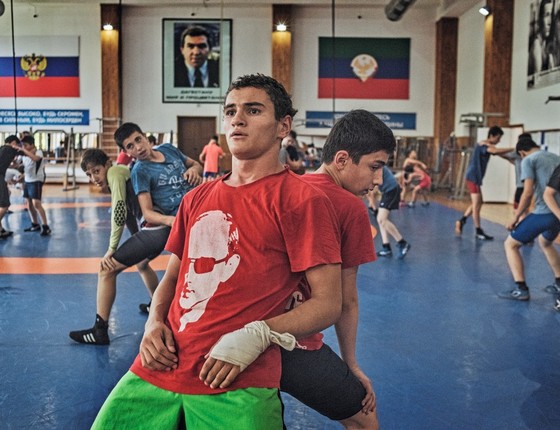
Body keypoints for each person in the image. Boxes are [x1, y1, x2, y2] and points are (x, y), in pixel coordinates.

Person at [91, 74, 342, 429]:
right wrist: (154, 321)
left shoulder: (303, 200)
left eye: (253, 110)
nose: (237, 119)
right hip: (159, 366)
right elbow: (175, 276)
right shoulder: (196, 199)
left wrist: (259, 334)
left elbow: (329, 303)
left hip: (236, 378)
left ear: (283, 125)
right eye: (231, 111)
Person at [280, 109, 395, 429]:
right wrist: (352, 364)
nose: (377, 181)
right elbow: (347, 300)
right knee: (364, 415)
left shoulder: (286, 187)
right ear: (342, 159)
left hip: (248, 334)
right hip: (294, 344)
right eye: (375, 167)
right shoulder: (349, 208)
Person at [69, 123, 203, 345]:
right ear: (126, 153)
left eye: (138, 140)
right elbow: (136, 212)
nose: (138, 148)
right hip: (169, 224)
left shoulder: (166, 150)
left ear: (145, 137)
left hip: (172, 224)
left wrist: (194, 170)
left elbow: (121, 211)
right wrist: (161, 228)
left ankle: (100, 330)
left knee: (106, 271)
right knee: (141, 263)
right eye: (130, 146)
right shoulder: (137, 170)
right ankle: (156, 305)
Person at [499, 138, 560, 302]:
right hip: (558, 214)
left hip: (544, 212)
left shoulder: (528, 160)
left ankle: (521, 289)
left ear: (521, 153)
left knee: (510, 244)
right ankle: (559, 282)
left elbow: (527, 193)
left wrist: (516, 217)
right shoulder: (555, 157)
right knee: (545, 242)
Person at [455, 126, 514, 240]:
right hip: (474, 177)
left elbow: (497, 153)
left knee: (478, 202)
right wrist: (513, 148)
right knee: (477, 205)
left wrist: (511, 159)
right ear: (492, 136)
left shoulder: (487, 146)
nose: (499, 141)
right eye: (498, 138)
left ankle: (462, 221)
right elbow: (495, 151)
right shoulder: (483, 145)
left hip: (475, 177)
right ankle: (478, 230)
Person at [368, 166, 411, 259]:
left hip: (391, 190)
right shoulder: (372, 164)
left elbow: (374, 187)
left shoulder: (375, 164)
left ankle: (402, 243)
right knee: (380, 220)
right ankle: (386, 247)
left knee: (381, 219)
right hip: (387, 191)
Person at [19, 135, 51, 236]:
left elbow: (35, 159)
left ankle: (46, 226)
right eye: (23, 145)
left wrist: (23, 150)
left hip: (36, 180)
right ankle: (35, 224)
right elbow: (23, 165)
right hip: (27, 180)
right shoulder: (24, 154)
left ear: (32, 144)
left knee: (36, 203)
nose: (24, 146)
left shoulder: (38, 152)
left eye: (26, 145)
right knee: (29, 203)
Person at [0, 135, 23, 239]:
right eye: (17, 144)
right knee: (5, 204)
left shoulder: (2, 149)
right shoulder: (10, 149)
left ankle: (1, 231)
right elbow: (25, 151)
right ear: (13, 142)